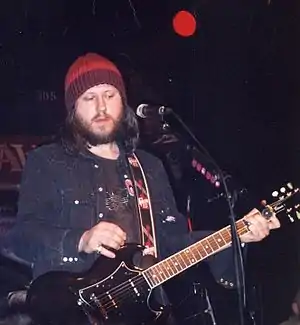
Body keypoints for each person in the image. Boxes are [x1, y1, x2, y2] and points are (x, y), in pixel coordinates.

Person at [0, 53, 280, 325]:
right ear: (73, 108)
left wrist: (236, 235)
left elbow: (172, 243)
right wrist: (80, 239)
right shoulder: (47, 161)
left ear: (123, 102)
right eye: (89, 98)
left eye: (110, 95)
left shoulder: (149, 167)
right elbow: (21, 238)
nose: (101, 107)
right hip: (69, 312)